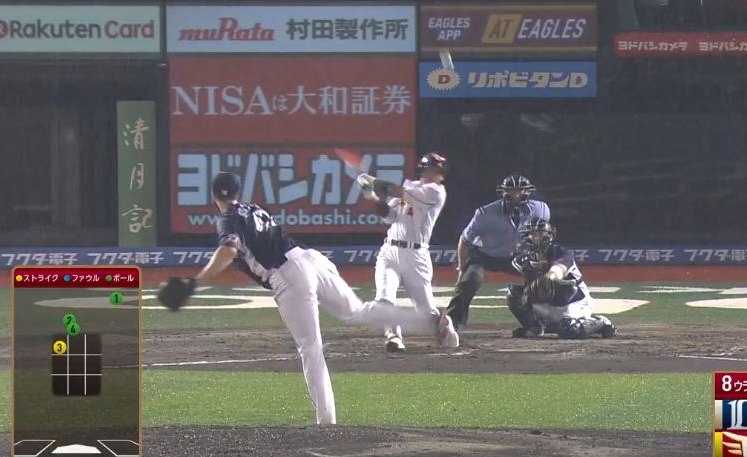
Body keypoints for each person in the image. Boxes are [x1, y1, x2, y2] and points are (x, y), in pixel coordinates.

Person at [171, 172, 459, 426]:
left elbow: (228, 250)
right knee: (358, 310)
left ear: (213, 196)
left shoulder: (228, 218)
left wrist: (195, 282)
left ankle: (327, 425)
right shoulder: (254, 208)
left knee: (311, 348)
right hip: (311, 259)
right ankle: (429, 322)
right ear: (239, 193)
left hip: (288, 275)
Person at [365, 152, 449, 352]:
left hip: (416, 255)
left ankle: (445, 329)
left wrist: (372, 181)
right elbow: (389, 216)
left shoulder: (436, 192)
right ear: (423, 169)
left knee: (426, 312)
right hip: (390, 251)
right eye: (432, 169)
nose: (436, 173)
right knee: (384, 298)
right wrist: (372, 197)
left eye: (438, 170)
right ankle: (394, 337)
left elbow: (395, 190)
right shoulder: (412, 188)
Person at [446, 173, 550, 329]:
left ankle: (537, 320)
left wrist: (540, 260)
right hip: (484, 255)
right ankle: (453, 322)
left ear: (528, 191)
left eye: (520, 190)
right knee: (471, 279)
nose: (516, 195)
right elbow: (465, 239)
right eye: (511, 191)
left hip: (517, 256)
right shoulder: (485, 213)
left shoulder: (541, 209)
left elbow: (541, 236)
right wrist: (461, 269)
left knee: (542, 278)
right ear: (503, 192)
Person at [507, 218, 617, 339]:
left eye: (540, 234)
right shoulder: (522, 261)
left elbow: (559, 269)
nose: (537, 238)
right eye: (533, 234)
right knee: (514, 293)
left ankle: (600, 322)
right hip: (548, 304)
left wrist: (548, 278)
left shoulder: (561, 253)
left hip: (575, 302)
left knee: (569, 329)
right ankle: (535, 327)